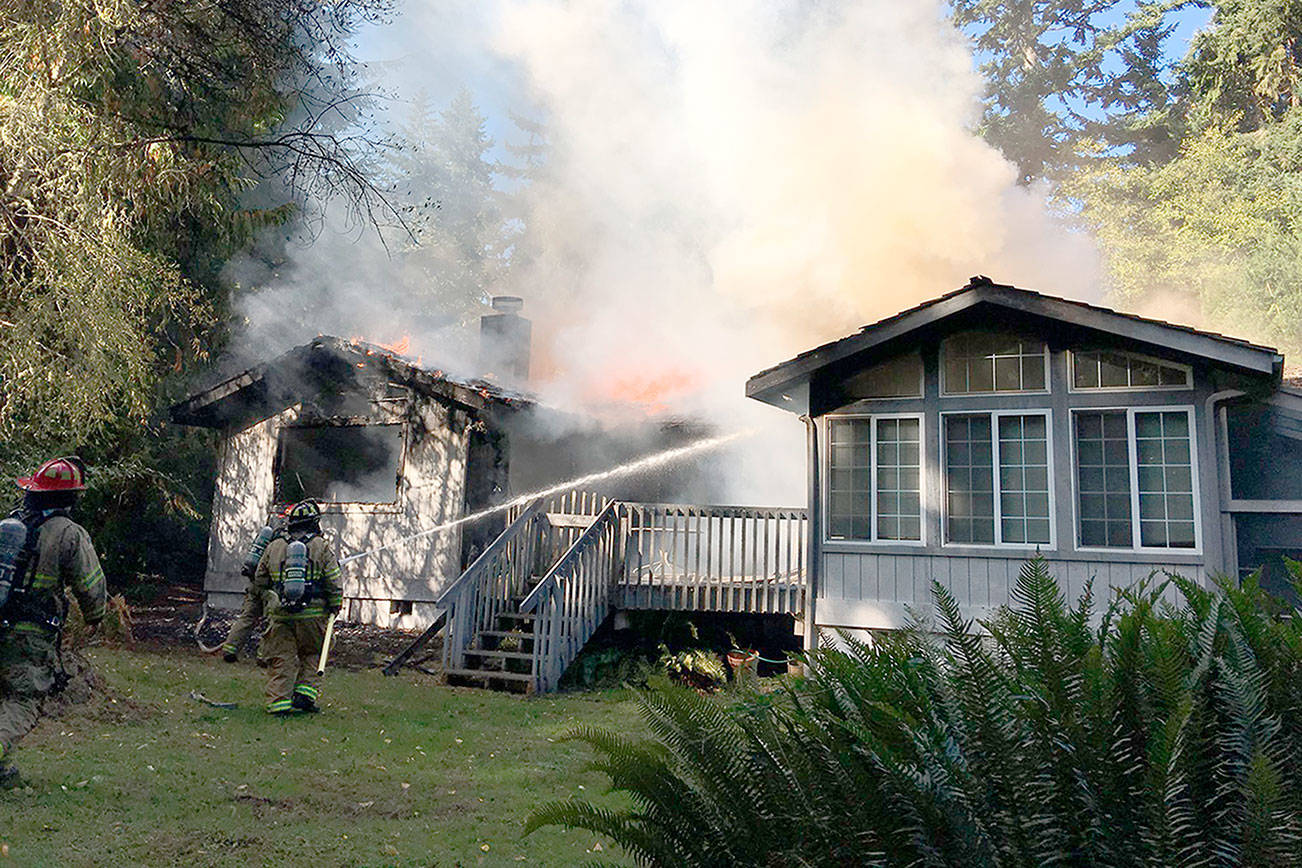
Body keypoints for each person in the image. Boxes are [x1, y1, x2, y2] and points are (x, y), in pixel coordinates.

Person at [0, 457, 106, 788]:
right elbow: (90, 585)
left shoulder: (10, 526)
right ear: (72, 497)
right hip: (29, 635)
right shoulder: (68, 534)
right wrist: (95, 616)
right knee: (22, 699)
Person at [251, 499, 342, 714]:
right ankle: (304, 695)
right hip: (313, 615)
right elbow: (333, 579)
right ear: (314, 523)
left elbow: (260, 578)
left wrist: (269, 599)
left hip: (281, 614)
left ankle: (279, 703)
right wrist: (336, 603)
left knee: (281, 657)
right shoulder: (321, 546)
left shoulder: (274, 546)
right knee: (314, 653)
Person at [218, 504, 293, 665]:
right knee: (273, 621)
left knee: (247, 617)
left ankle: (230, 650)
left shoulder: (268, 535)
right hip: (269, 588)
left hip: (254, 584)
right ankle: (263, 657)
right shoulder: (286, 543)